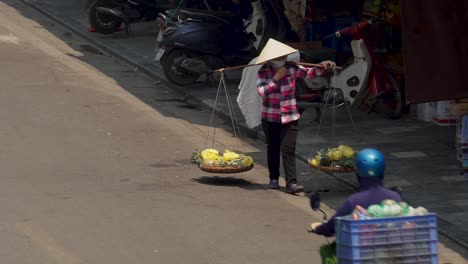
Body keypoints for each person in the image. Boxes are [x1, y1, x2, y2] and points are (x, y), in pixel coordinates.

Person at [255, 39, 336, 194]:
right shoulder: (263, 71)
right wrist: (276, 78)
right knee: (273, 148)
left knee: (289, 149)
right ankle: (273, 178)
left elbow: (309, 72)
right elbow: (262, 92)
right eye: (279, 57)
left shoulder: (292, 68)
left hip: (290, 115)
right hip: (270, 116)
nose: (283, 59)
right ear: (271, 59)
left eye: (284, 56)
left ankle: (291, 183)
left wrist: (323, 66)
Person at [309, 148, 402, 236]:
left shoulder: (354, 201)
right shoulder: (395, 197)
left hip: (361, 249)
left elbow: (331, 227)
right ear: (383, 170)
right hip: (391, 247)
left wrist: (318, 228)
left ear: (357, 172)